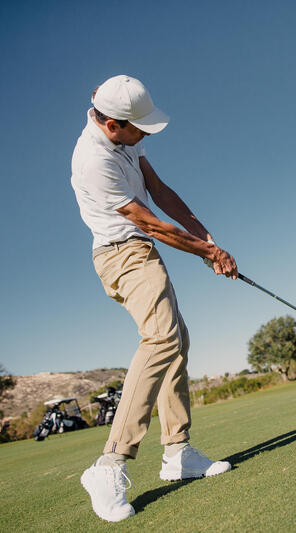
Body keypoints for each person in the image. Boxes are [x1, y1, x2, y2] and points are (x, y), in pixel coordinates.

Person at [71, 74, 238, 522]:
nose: (145, 134)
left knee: (175, 341)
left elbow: (160, 191)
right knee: (163, 338)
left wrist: (207, 239)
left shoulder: (128, 140)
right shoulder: (93, 160)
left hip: (140, 249)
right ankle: (109, 463)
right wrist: (208, 253)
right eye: (137, 127)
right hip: (121, 254)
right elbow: (150, 222)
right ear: (112, 125)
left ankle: (178, 453)